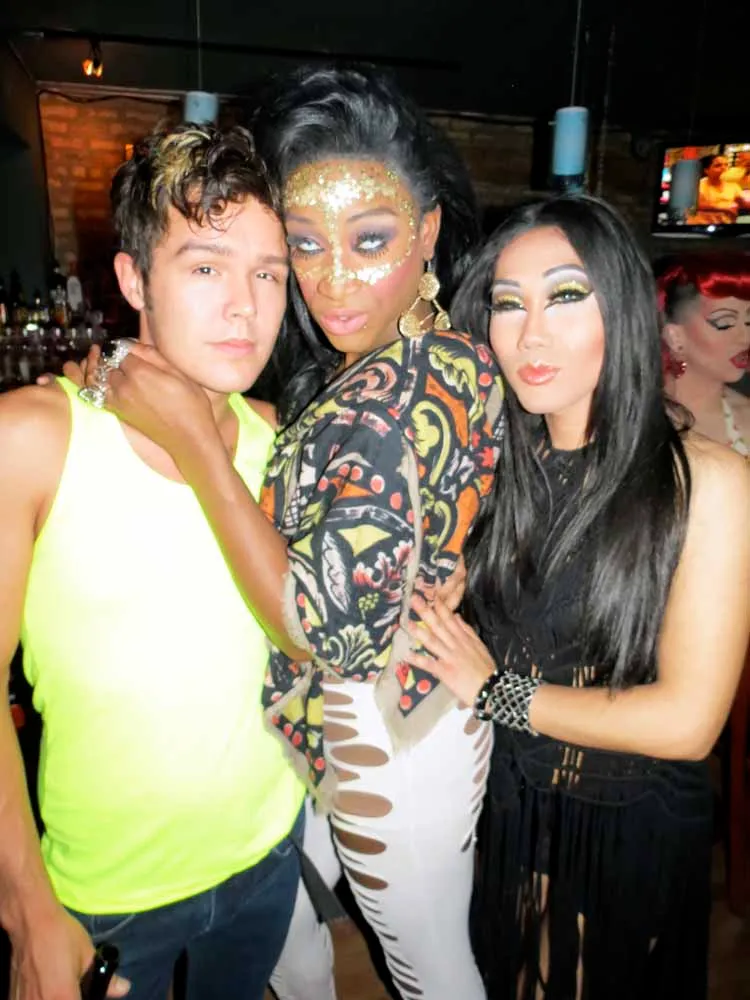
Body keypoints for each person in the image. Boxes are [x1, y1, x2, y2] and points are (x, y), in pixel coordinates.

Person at [71, 65, 505, 1000]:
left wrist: (194, 441)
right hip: (405, 716)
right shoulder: (442, 353)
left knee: (430, 971)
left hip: (384, 734)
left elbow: (323, 632)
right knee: (312, 938)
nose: (332, 280)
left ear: (429, 232)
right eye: (304, 245)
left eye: (371, 239)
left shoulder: (387, 396)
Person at [405, 196, 750, 999]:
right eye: (508, 303)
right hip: (512, 804)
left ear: (621, 310)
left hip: (621, 820)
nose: (531, 334)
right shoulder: (499, 469)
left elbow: (688, 723)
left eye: (565, 296)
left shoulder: (708, 482)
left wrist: (495, 691)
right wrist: (458, 586)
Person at [0, 124, 306, 1000]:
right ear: (134, 279)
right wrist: (28, 911)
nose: (245, 307)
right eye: (207, 267)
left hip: (266, 854)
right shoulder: (33, 438)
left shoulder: (282, 442)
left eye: (269, 274)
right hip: (102, 895)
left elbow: (317, 629)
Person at [658, 252, 749, 459]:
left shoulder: (746, 416)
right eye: (725, 323)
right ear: (674, 336)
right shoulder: (635, 421)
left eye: (749, 322)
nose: (745, 337)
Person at [695, 154, 744, 223]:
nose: (724, 168)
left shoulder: (733, 185)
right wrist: (725, 209)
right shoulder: (698, 185)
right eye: (718, 165)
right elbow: (697, 205)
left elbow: (741, 202)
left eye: (726, 165)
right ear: (706, 170)